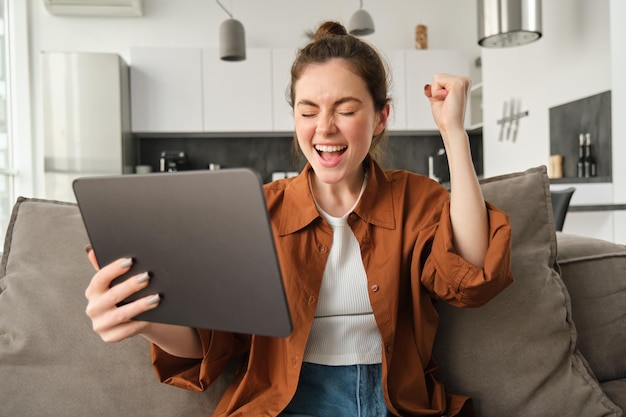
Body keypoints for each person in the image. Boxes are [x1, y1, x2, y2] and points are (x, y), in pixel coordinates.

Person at [85, 21, 513, 417]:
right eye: (308, 112)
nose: (324, 128)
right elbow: (212, 341)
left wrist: (454, 132)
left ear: (381, 117)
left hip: (393, 402)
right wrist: (143, 319)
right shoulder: (255, 212)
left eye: (345, 110)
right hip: (284, 402)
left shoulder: (418, 198)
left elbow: (472, 273)